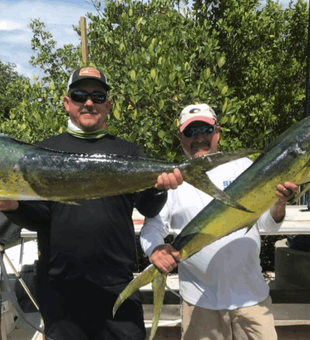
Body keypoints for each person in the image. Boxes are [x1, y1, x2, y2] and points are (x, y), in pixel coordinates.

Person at [0, 66, 183, 340]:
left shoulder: (129, 152)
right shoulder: (42, 152)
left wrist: (159, 190)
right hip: (60, 290)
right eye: (79, 95)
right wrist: (14, 207)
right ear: (66, 103)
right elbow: (41, 217)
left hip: (117, 287)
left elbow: (148, 208)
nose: (88, 102)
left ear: (108, 105)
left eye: (97, 97)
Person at [140, 103, 298, 340]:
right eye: (190, 132)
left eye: (205, 129)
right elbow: (152, 227)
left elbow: (266, 224)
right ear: (180, 137)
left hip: (252, 299)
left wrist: (279, 203)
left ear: (217, 131)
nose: (199, 138)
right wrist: (155, 250)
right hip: (200, 303)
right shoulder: (172, 180)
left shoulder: (245, 167)